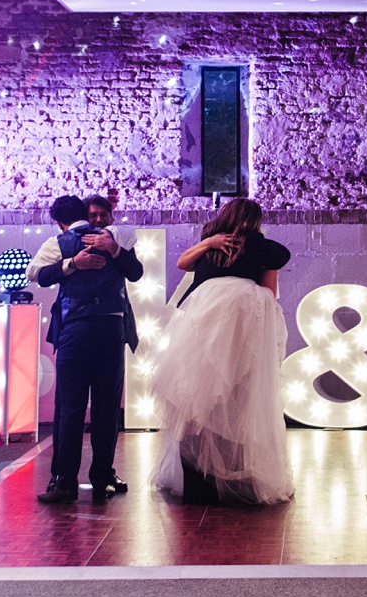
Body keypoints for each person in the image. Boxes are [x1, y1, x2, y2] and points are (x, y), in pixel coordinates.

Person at [152, 198, 294, 506]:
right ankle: (236, 484)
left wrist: (209, 243)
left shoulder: (210, 246)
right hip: (240, 330)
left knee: (194, 400)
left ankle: (197, 485)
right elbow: (270, 291)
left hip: (201, 328)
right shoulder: (263, 249)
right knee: (237, 402)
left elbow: (183, 264)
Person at [27, 194, 143, 504]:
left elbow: (35, 274)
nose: (98, 221)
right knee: (95, 407)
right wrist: (73, 264)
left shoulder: (110, 238)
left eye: (103, 215)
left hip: (89, 330)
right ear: (84, 215)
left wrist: (111, 250)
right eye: (93, 215)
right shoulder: (80, 241)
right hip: (96, 329)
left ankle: (73, 481)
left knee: (79, 407)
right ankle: (90, 478)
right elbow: (41, 274)